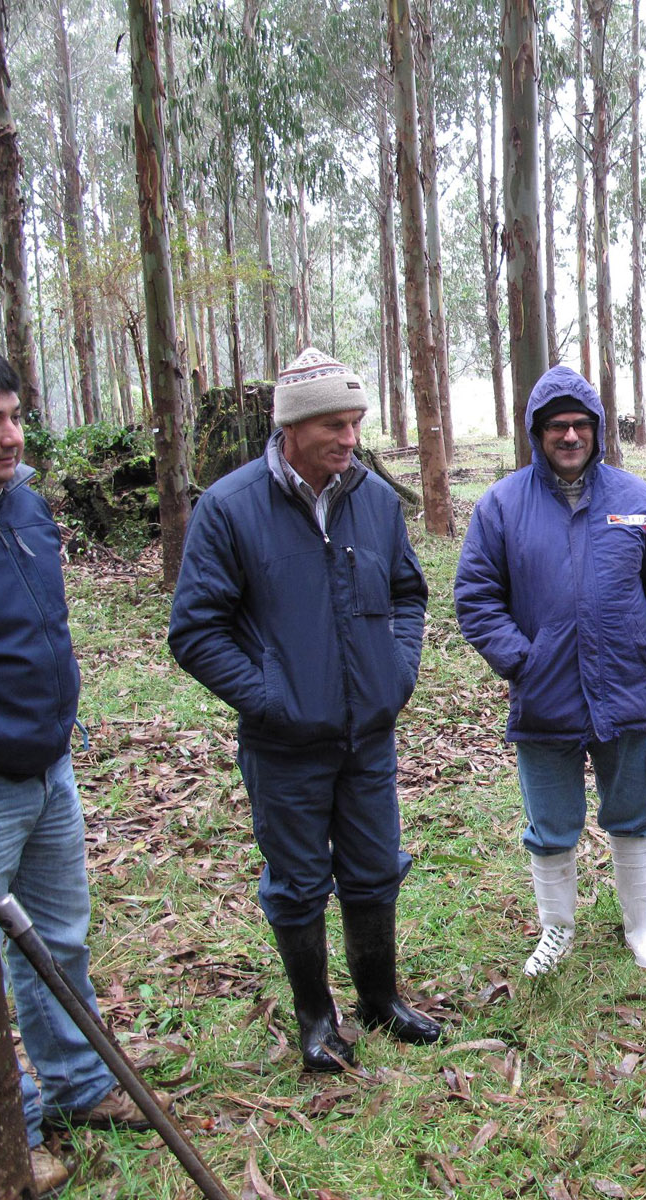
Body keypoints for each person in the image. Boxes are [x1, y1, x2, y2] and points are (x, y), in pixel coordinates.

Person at [168, 346, 439, 1073]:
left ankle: (380, 1002)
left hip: (368, 737)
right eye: (334, 426)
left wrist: (397, 671)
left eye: (354, 423)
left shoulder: (375, 501)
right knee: (295, 884)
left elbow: (409, 594)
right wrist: (272, 700)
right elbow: (195, 632)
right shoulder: (229, 508)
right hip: (284, 744)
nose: (350, 440)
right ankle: (317, 1020)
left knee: (376, 869)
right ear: (291, 427)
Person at [0, 340, 150, 1194]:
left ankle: (79, 1084)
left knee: (57, 940)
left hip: (51, 770)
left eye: (15, 416)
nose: (12, 436)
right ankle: (3, 1128)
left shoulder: (22, 506)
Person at [453, 366, 646, 977]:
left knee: (633, 812)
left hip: (627, 691)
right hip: (545, 695)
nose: (569, 436)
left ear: (597, 430)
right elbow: (475, 596)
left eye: (580, 424)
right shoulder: (501, 507)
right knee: (552, 822)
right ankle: (556, 930)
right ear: (537, 433)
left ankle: (640, 925)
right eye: (557, 426)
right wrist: (521, 659)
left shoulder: (636, 501)